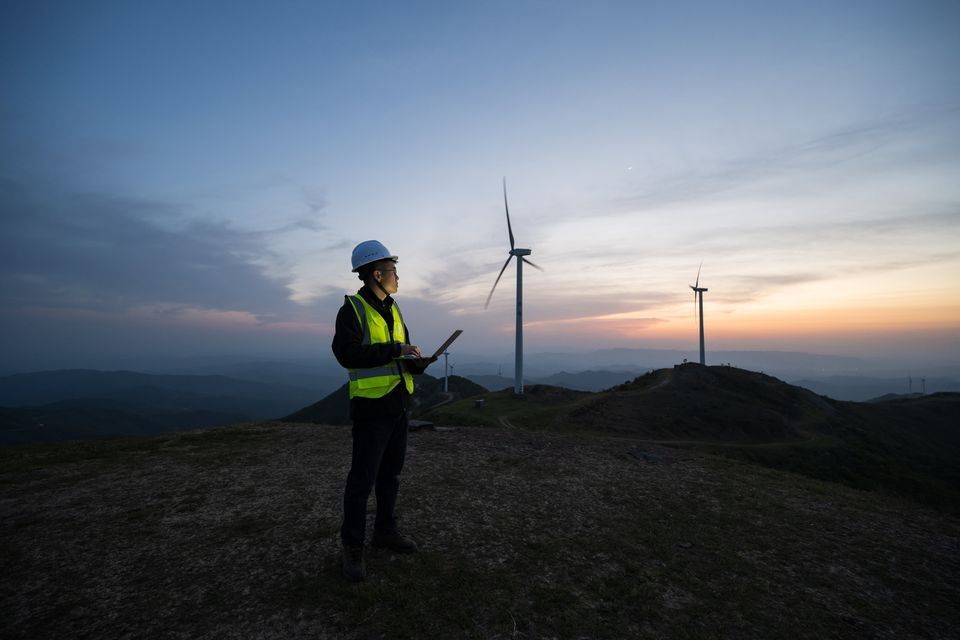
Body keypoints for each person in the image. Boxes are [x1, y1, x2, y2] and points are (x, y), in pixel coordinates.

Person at [331, 240, 436, 582]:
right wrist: (395, 349)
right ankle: (353, 548)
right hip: (371, 409)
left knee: (390, 476)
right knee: (361, 482)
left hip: (398, 405)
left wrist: (415, 362)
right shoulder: (353, 310)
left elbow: (398, 355)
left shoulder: (394, 308)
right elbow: (347, 354)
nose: (397, 276)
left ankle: (385, 532)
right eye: (393, 270)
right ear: (376, 273)